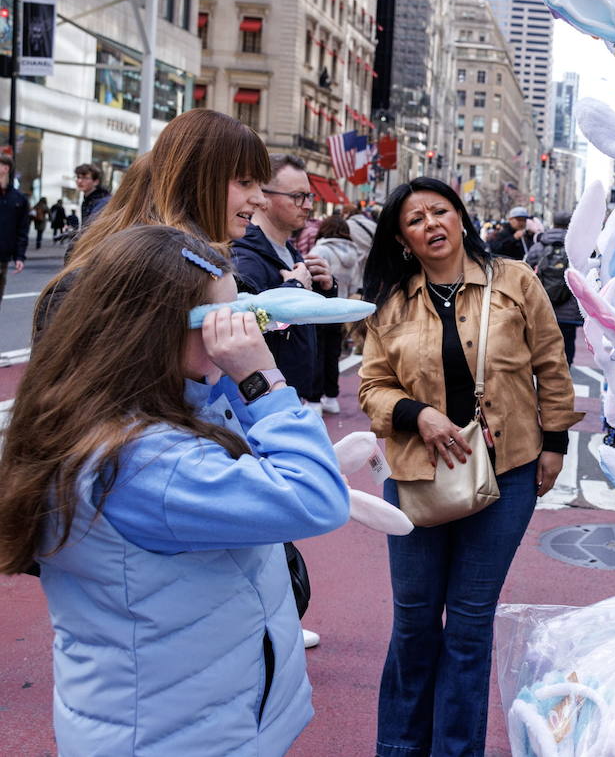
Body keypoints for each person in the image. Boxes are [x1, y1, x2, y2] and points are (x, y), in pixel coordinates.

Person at [0, 225, 351, 756]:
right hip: (179, 735)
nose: (237, 333)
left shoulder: (118, 412)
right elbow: (316, 499)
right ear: (155, 329)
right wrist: (260, 377)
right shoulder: (146, 463)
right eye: (220, 320)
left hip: (187, 717)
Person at [358, 177, 581, 756]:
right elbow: (371, 387)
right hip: (414, 476)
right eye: (415, 219)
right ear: (403, 238)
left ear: (461, 218)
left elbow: (551, 366)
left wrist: (554, 443)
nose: (431, 224)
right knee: (413, 626)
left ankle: (456, 750)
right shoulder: (392, 301)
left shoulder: (515, 281)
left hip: (506, 470)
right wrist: (416, 414)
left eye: (440, 211)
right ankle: (399, 748)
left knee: (468, 627)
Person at [37, 109, 272, 340]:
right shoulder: (158, 274)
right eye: (245, 182)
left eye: (260, 185)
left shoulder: (188, 266)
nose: (261, 200)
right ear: (195, 181)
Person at [232, 154, 335, 417]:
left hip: (289, 393)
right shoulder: (245, 257)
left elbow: (307, 326)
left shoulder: (291, 252)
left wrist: (324, 289)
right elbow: (252, 327)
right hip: (259, 401)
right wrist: (296, 290)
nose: (308, 205)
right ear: (263, 198)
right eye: (298, 197)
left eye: (310, 197)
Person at [310, 214, 364, 414]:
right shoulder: (354, 252)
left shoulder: (321, 249)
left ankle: (314, 399)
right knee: (332, 354)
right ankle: (332, 397)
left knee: (316, 353)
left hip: (318, 309)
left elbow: (310, 276)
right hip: (340, 310)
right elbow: (355, 285)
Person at [525, 210, 584, 364]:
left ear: (553, 223)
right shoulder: (577, 247)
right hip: (568, 310)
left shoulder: (539, 245)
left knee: (542, 344)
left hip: (542, 306)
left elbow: (525, 271)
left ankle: (542, 376)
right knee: (566, 346)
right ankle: (564, 375)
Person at [0, 156, 30, 309]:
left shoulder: (19, 199)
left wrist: (19, 256)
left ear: (6, 169)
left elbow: (22, 229)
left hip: (2, 257)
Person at [74, 162, 111, 228]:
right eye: (78, 177)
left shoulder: (103, 202)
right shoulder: (88, 199)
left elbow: (90, 229)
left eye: (85, 178)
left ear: (96, 182)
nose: (79, 181)